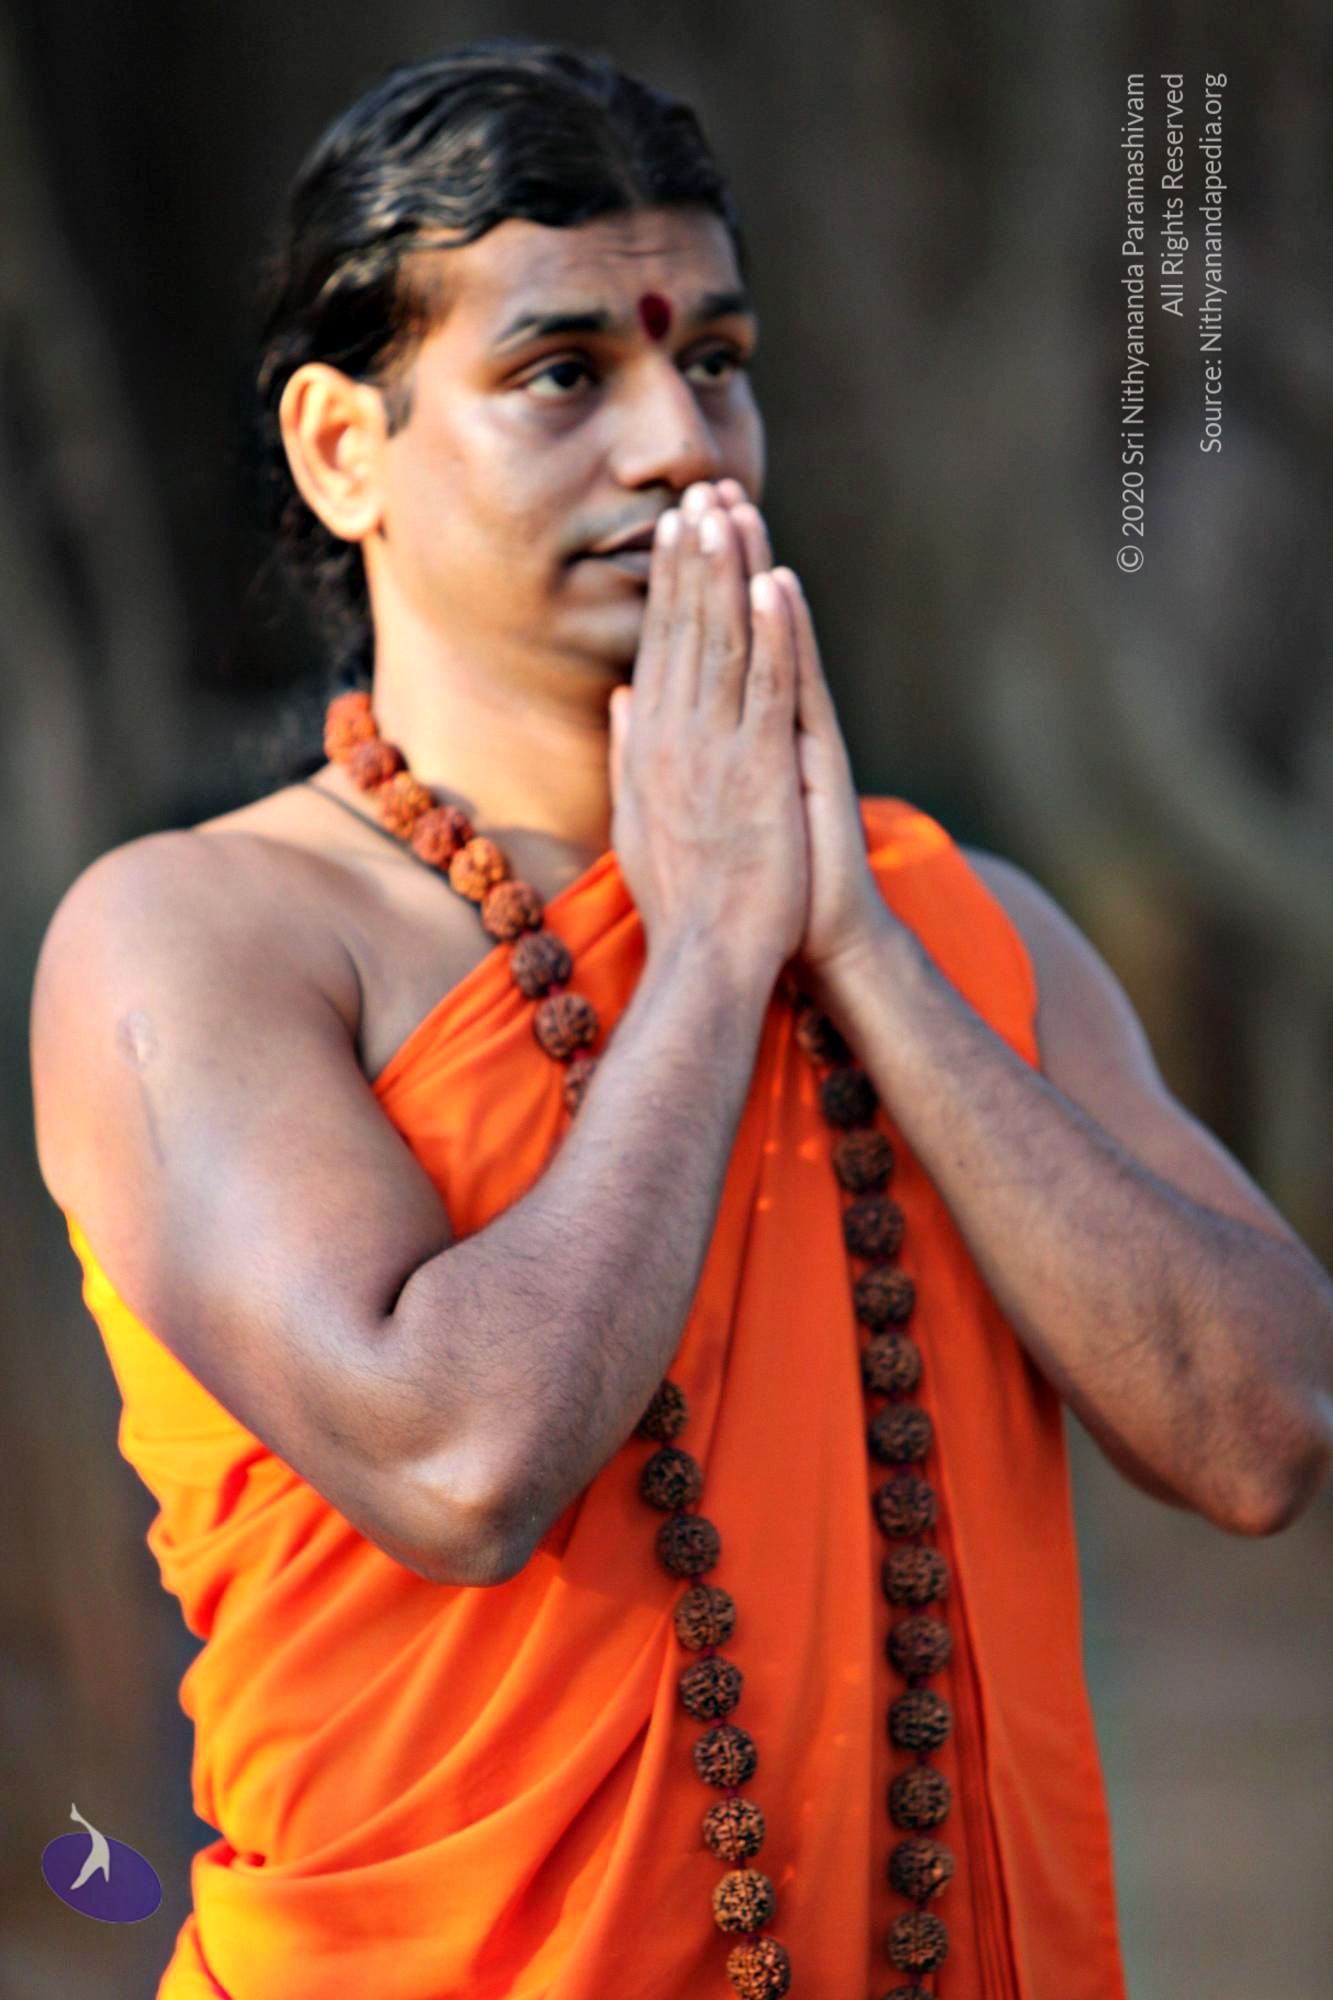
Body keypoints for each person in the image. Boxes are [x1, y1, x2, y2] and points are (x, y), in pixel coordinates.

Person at [28, 37, 1332, 2000]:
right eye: (564, 373)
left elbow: (1264, 1431)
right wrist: (717, 953)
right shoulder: (198, 938)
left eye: (713, 361)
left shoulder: (948, 923)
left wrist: (856, 956)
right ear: (340, 449)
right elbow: (461, 1461)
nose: (678, 446)